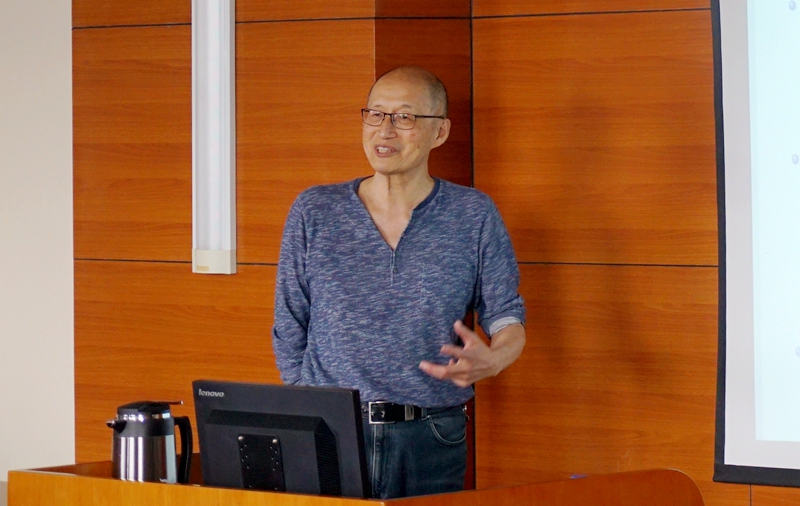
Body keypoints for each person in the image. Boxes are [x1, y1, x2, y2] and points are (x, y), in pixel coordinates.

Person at [272, 66, 526, 498]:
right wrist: (310, 406)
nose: (384, 130)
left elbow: (506, 314)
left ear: (439, 131)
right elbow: (289, 323)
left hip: (431, 434)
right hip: (328, 431)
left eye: (405, 117)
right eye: (375, 114)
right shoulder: (315, 210)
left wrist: (496, 358)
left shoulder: (472, 214)